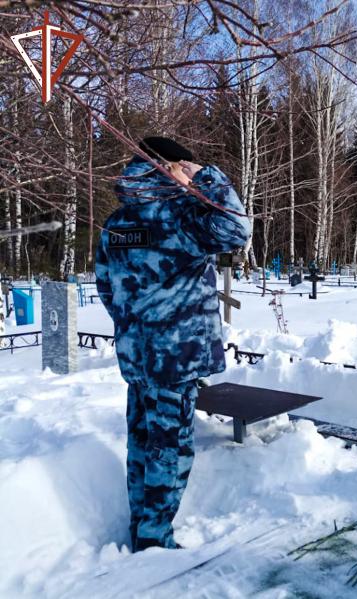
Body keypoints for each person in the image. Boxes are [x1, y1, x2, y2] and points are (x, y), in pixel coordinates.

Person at [95, 136, 251, 552]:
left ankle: (140, 527)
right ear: (171, 166)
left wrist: (138, 327)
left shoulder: (117, 222)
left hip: (138, 354)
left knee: (142, 442)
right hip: (175, 358)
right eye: (187, 167)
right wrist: (208, 178)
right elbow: (237, 228)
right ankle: (154, 540)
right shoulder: (179, 217)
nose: (191, 175)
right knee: (171, 449)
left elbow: (107, 289)